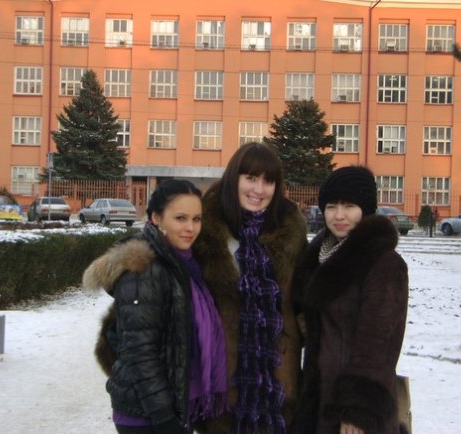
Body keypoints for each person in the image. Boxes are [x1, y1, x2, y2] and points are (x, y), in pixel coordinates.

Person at [82, 179, 228, 434]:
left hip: (171, 407)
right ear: (156, 218)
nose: (190, 228)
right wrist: (164, 417)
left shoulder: (185, 264)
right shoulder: (145, 268)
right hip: (147, 416)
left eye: (196, 219)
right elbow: (139, 352)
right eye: (180, 218)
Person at [193, 142, 308, 434]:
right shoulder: (203, 228)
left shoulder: (291, 233)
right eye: (251, 178)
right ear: (234, 178)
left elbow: (310, 298)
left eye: (268, 181)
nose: (259, 189)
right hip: (219, 391)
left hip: (278, 390)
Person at [291, 166, 409, 434]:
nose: (339, 215)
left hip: (353, 409)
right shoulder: (319, 257)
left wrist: (357, 410)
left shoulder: (383, 263)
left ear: (365, 209)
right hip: (319, 398)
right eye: (331, 206)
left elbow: (378, 343)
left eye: (349, 206)